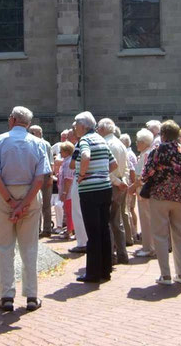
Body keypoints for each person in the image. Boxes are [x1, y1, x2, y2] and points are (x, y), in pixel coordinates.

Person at [0, 106, 51, 312]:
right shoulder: (38, 143)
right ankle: (32, 296)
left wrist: (12, 203)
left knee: (4, 247)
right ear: (28, 123)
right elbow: (40, 179)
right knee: (29, 247)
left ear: (12, 119)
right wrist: (23, 204)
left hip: (5, 193)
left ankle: (6, 297)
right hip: (30, 194)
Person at [142, 120, 181, 285]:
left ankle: (165, 275)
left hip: (160, 195)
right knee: (180, 235)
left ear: (163, 134)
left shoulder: (157, 150)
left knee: (160, 235)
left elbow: (147, 173)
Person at [73, 111, 117, 283]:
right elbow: (114, 165)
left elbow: (85, 156)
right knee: (104, 229)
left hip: (90, 190)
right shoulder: (101, 139)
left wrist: (83, 174)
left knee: (93, 232)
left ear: (83, 126)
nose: (75, 128)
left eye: (76, 125)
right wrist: (101, 173)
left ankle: (92, 273)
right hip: (105, 188)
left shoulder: (84, 140)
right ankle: (105, 270)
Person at [97, 118, 129, 265]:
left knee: (108, 221)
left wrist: (117, 182)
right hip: (121, 184)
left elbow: (105, 168)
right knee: (117, 221)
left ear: (103, 129)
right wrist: (124, 182)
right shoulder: (121, 144)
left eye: (98, 128)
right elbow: (127, 167)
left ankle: (111, 255)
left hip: (111, 185)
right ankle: (122, 254)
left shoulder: (106, 144)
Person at [131, 128, 156, 258]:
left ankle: (148, 247)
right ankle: (150, 246)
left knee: (146, 220)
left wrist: (133, 187)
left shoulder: (146, 155)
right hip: (147, 191)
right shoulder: (148, 153)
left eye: (138, 141)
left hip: (144, 192)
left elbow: (141, 176)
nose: (136, 143)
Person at [29, 125, 54, 238]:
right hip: (34, 176)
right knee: (36, 202)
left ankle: (47, 228)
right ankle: (36, 228)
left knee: (46, 204)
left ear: (39, 132)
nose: (30, 134)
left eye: (32, 132)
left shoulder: (46, 144)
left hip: (45, 175)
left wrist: (50, 177)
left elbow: (50, 162)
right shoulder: (31, 143)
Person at [67, 128, 89, 254]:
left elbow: (72, 164)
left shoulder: (79, 144)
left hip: (79, 179)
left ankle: (82, 243)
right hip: (93, 180)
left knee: (77, 211)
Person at [120, 133, 138, 245]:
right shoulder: (129, 153)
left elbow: (132, 171)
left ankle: (132, 234)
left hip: (129, 187)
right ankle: (133, 233)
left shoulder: (127, 154)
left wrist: (132, 187)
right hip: (130, 186)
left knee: (128, 210)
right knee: (130, 210)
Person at [57, 141, 75, 239]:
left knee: (69, 212)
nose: (60, 153)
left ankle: (69, 231)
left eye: (61, 151)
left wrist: (64, 192)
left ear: (67, 152)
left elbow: (68, 180)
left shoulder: (68, 162)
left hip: (69, 192)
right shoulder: (66, 161)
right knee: (68, 212)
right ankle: (69, 229)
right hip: (67, 191)